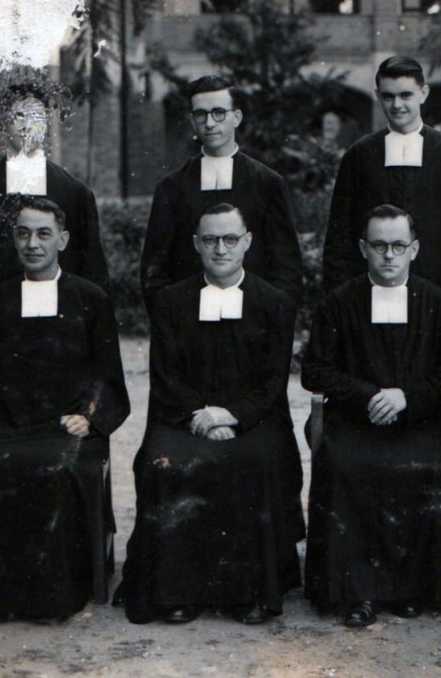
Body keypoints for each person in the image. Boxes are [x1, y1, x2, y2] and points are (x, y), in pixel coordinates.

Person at [0, 196, 130, 635]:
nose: (33, 244)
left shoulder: (89, 299)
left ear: (62, 240)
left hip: (63, 428)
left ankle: (44, 596)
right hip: (6, 425)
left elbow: (107, 377)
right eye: (24, 234)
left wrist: (89, 416)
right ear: (14, 241)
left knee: (52, 469)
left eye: (43, 234)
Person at [117, 203, 303, 625]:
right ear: (196, 245)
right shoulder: (170, 301)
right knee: (165, 464)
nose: (221, 249)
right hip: (185, 416)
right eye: (211, 240)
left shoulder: (274, 302)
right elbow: (166, 376)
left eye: (230, 239)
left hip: (254, 420)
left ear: (247, 243)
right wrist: (201, 416)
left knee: (254, 463)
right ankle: (177, 591)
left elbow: (272, 382)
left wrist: (231, 415)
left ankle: (251, 592)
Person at [302, 204, 441, 627]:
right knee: (346, 467)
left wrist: (406, 398)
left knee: (428, 466)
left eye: (398, 246)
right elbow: (315, 370)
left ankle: (412, 590)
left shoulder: (440, 304)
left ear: (414, 249)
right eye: (379, 245)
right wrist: (367, 396)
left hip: (422, 422)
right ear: (363, 248)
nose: (389, 255)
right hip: (356, 423)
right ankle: (357, 593)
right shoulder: (337, 305)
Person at [0, 82, 109, 342]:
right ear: (2, 122)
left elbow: (93, 272)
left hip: (63, 334)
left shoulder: (75, 193)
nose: (27, 125)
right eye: (18, 116)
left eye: (36, 117)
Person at [323, 56, 441, 318]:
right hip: (367, 296)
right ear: (377, 96)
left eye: (406, 95)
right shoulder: (360, 154)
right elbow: (339, 235)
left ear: (423, 93)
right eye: (388, 96)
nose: (397, 105)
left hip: (435, 295)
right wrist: (341, 299)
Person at [140, 76, 303, 310]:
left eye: (218, 113)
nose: (209, 123)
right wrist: (170, 317)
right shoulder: (172, 187)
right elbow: (155, 268)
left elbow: (287, 267)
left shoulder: (267, 183)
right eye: (201, 114)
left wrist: (272, 316)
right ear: (192, 121)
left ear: (236, 117)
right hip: (187, 318)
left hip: (253, 318)